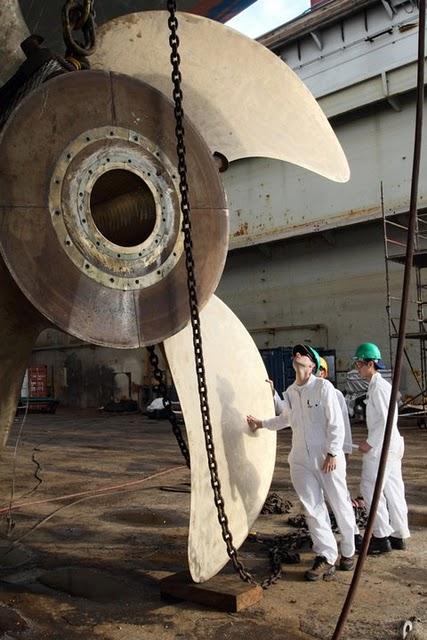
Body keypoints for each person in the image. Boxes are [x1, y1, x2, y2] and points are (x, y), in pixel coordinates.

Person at [247, 344, 357, 581]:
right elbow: (285, 419)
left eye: (303, 353)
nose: (298, 355)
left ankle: (348, 550)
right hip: (300, 459)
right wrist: (261, 424)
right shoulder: (291, 391)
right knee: (312, 507)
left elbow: (336, 423)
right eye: (296, 353)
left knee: (339, 503)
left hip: (327, 457)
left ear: (312, 365)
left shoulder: (323, 387)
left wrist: (332, 453)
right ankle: (326, 555)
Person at [352, 342, 410, 554]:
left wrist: (371, 442)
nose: (357, 368)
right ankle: (399, 535)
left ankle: (381, 536)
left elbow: (387, 420)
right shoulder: (379, 386)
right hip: (391, 445)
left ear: (370, 364)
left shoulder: (379, 387)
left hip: (382, 447)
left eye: (359, 363)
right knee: (393, 490)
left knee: (370, 489)